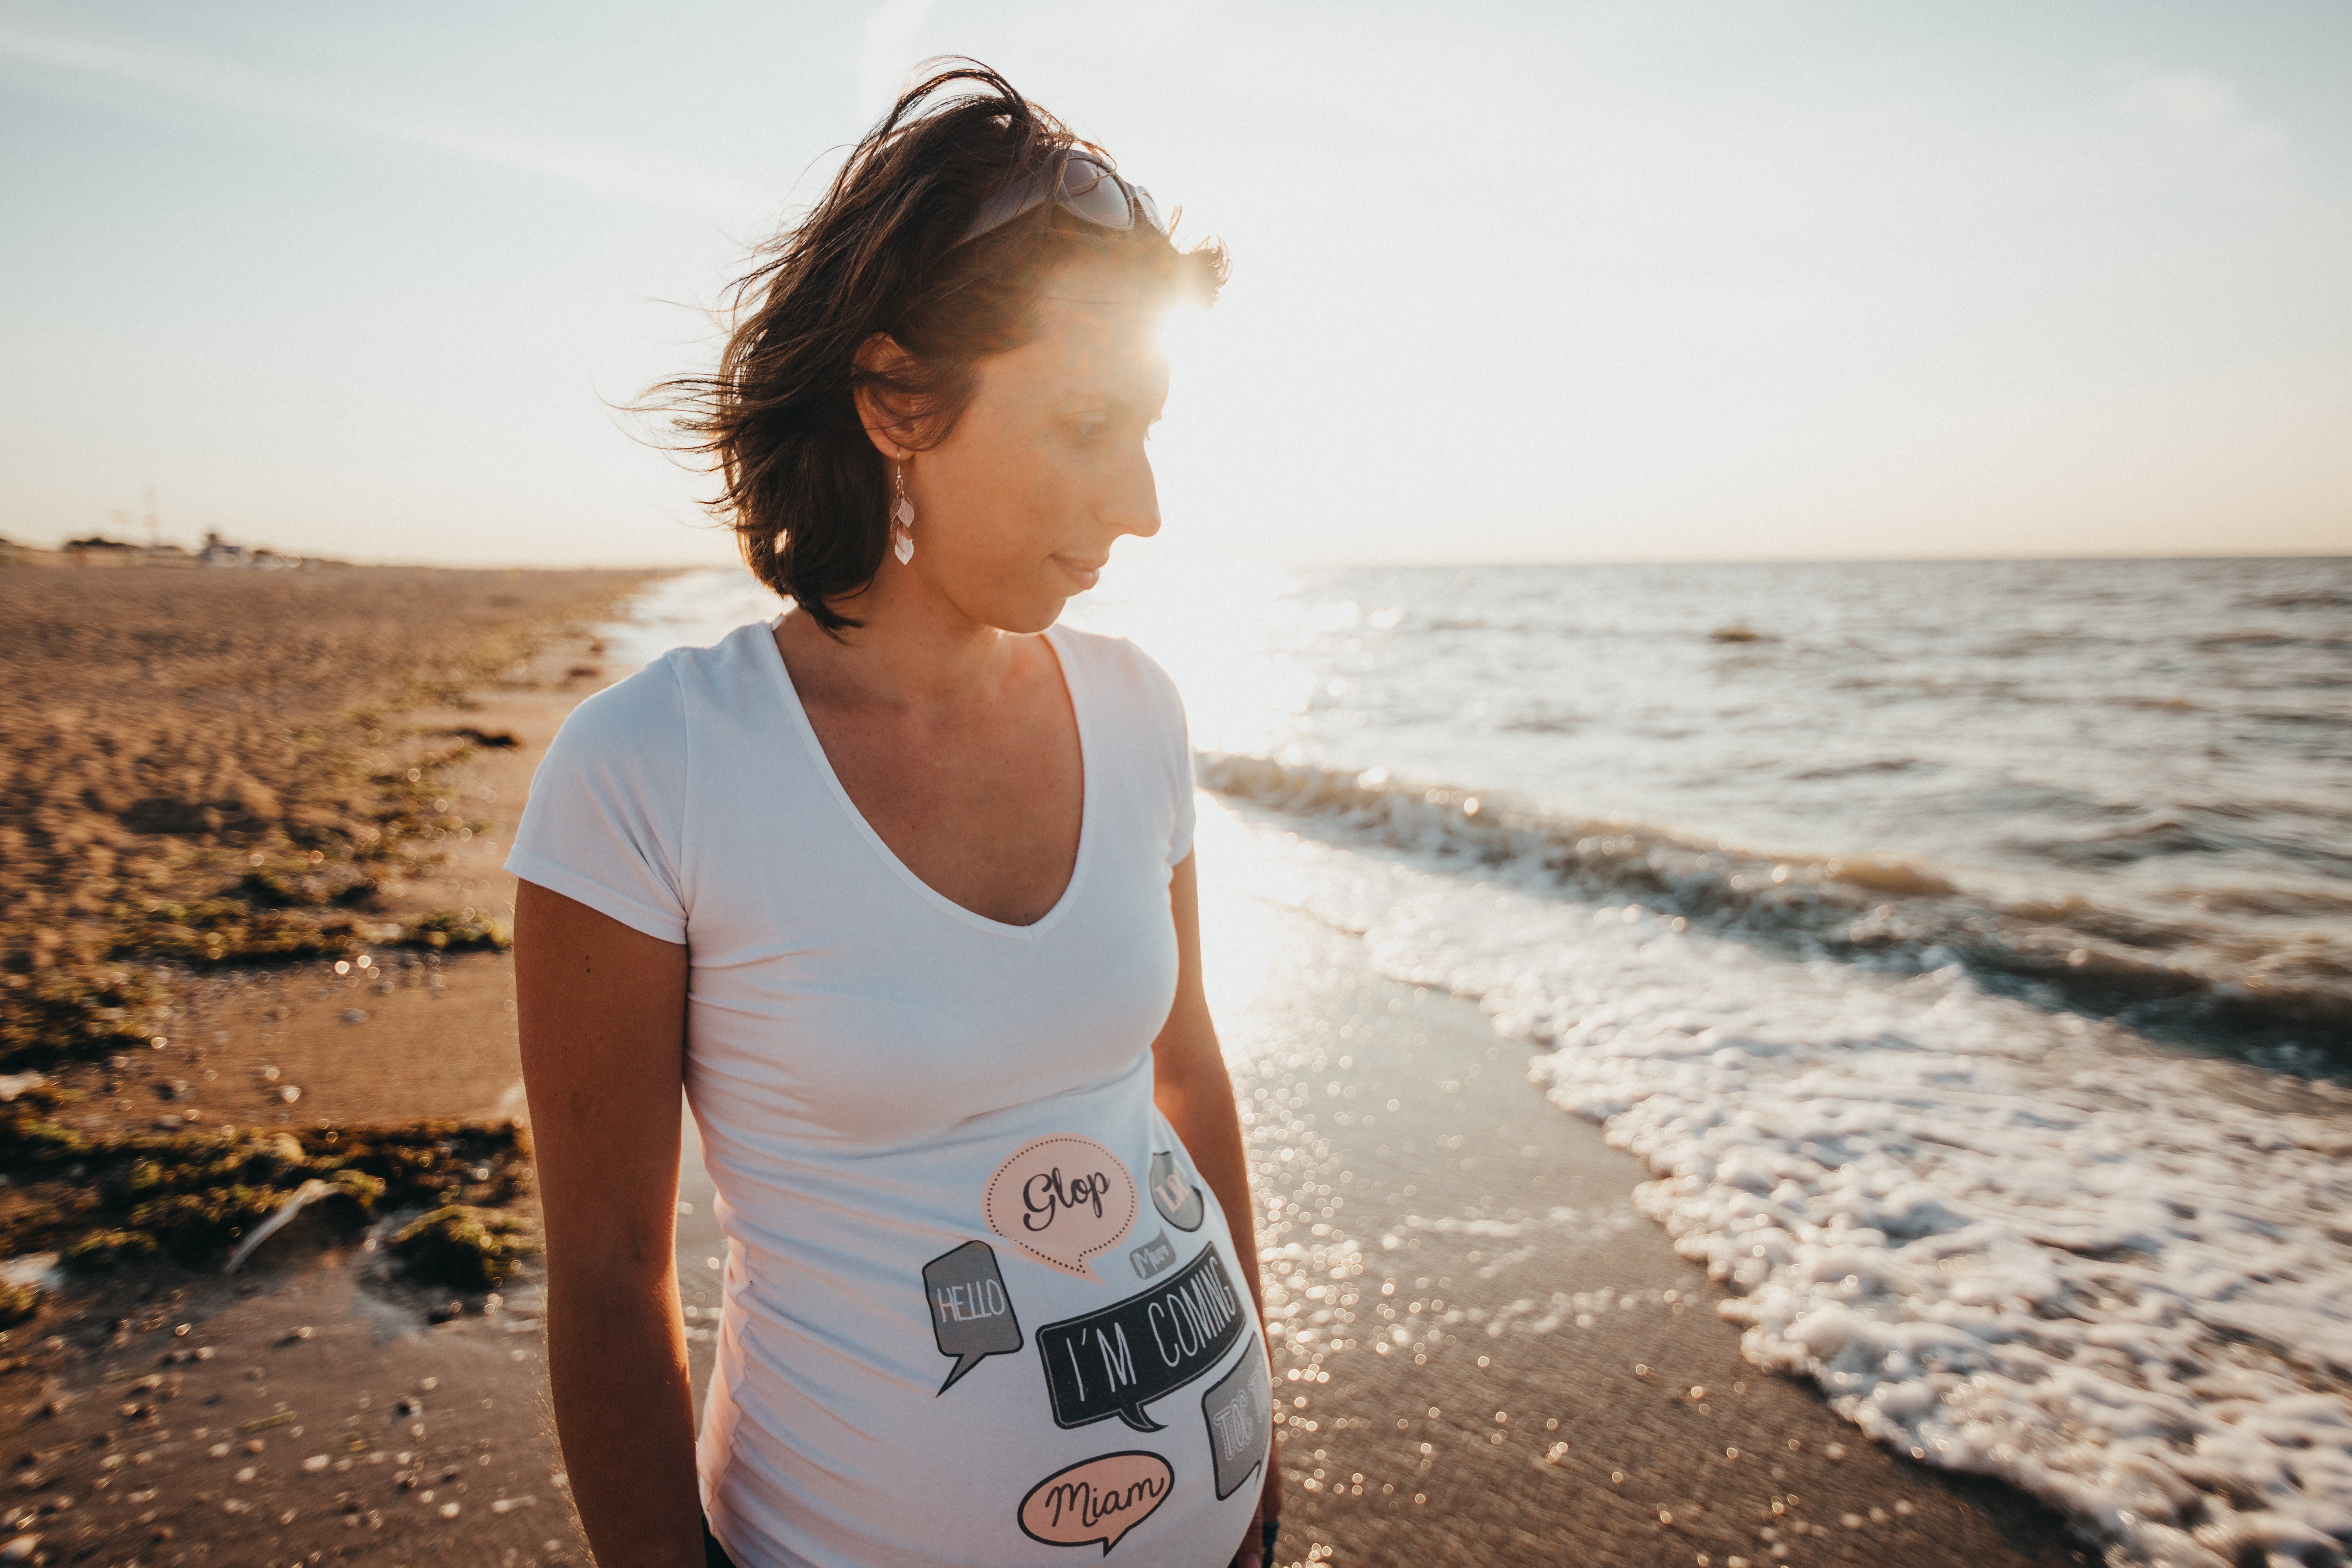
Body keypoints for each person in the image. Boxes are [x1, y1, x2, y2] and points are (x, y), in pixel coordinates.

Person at [506, 64, 1280, 1568]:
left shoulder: (1141, 710)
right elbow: (605, 1279)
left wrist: (1261, 1458)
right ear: (896, 401)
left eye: (1151, 429)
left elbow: (1186, 1076)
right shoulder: (650, 769)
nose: (1144, 504)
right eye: (1085, 427)